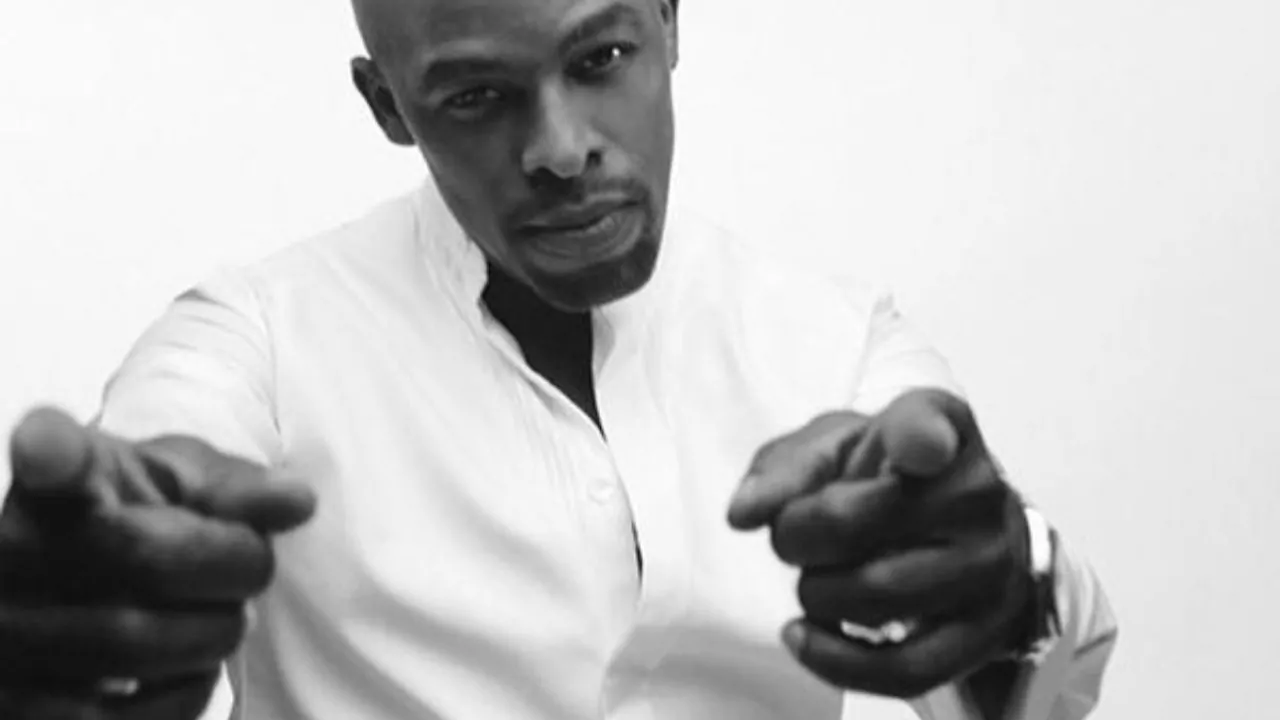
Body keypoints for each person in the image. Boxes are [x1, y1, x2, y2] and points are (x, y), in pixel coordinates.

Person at [0, 0, 1118, 718]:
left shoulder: (836, 339)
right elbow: (153, 470)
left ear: (670, 21)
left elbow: (1048, 684)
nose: (561, 148)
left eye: (601, 58)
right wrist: (83, 595)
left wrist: (1004, 591)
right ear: (389, 105)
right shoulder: (252, 336)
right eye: (476, 97)